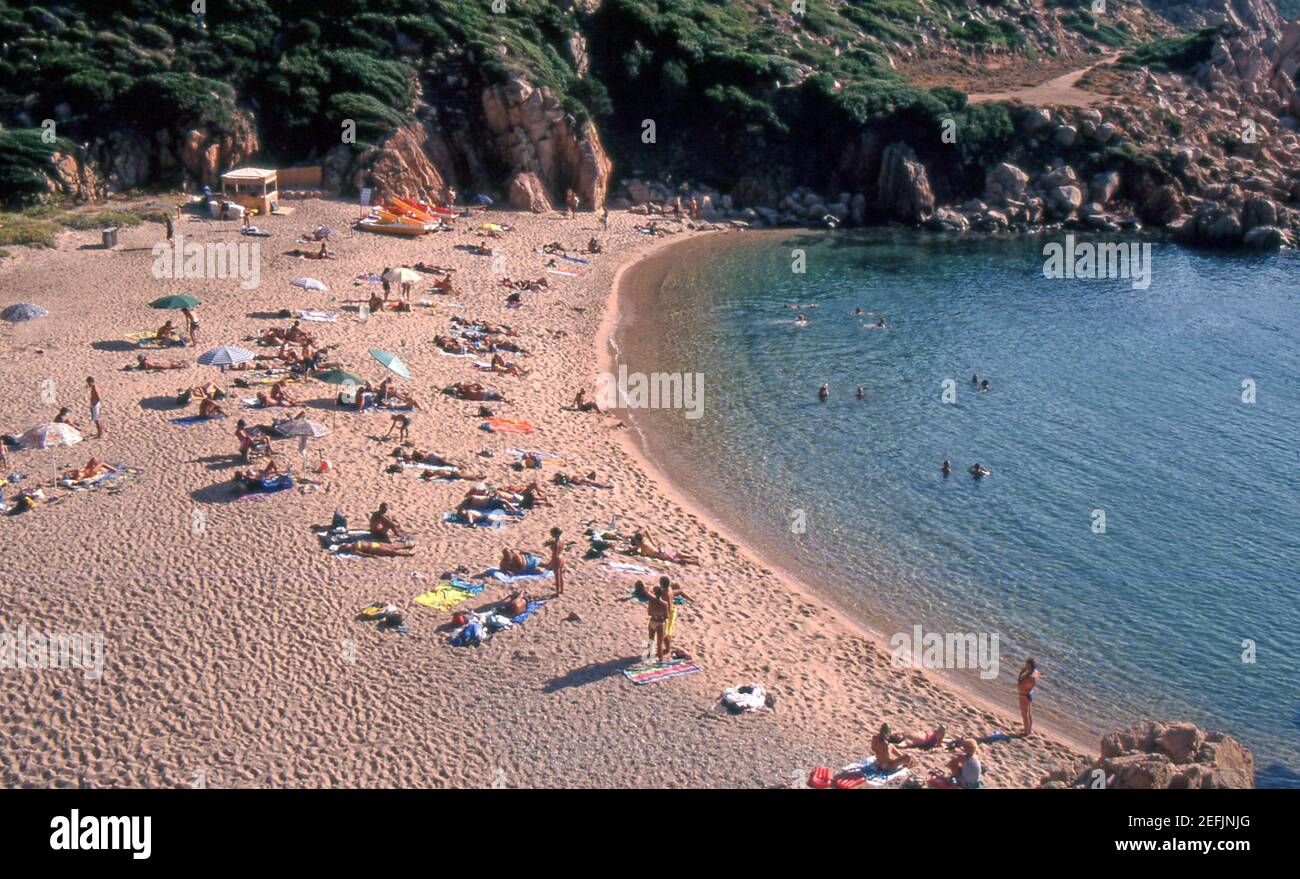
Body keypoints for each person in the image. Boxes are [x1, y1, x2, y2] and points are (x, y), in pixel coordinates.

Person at [645, 583, 670, 663]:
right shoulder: (664, 604)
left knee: (650, 640)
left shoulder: (651, 602)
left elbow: (649, 613)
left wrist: (655, 614)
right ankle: (660, 660)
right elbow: (666, 616)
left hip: (652, 621)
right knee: (659, 644)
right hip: (660, 623)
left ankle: (648, 655)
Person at [1018, 658, 1039, 736]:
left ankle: (1026, 732)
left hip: (1023, 695)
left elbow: (1020, 682)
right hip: (1029, 694)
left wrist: (1021, 672)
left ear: (1029, 665)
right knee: (1029, 713)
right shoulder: (1035, 673)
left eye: (1026, 664)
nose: (1025, 665)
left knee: (1024, 714)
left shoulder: (1028, 676)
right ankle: (1028, 729)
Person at [546, 526, 567, 597]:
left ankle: (557, 593)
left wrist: (551, 563)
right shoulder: (562, 540)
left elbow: (555, 554)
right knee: (560, 576)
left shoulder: (556, 543)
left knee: (557, 577)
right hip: (562, 558)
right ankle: (562, 590)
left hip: (557, 559)